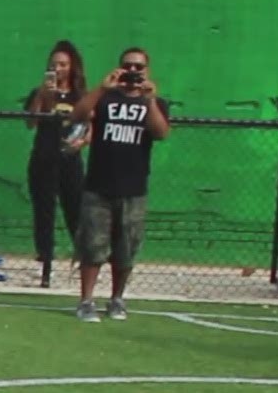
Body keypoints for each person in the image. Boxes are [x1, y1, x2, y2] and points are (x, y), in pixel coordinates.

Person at [69, 47, 171, 322]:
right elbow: (78, 115)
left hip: (134, 188)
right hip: (99, 185)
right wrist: (101, 89)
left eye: (139, 67)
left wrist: (149, 99)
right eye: (129, 66)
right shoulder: (105, 98)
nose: (133, 72)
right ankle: (86, 301)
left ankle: (117, 298)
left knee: (126, 248)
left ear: (147, 71)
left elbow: (161, 133)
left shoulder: (155, 103)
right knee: (92, 246)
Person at [24, 40, 89, 287]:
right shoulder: (40, 92)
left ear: (72, 67)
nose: (58, 68)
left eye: (63, 64)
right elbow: (31, 122)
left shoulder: (80, 95)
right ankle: (46, 260)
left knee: (75, 209)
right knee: (44, 211)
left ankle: (83, 257)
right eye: (54, 64)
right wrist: (43, 94)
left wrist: (81, 142)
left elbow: (91, 125)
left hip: (70, 161)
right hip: (43, 158)